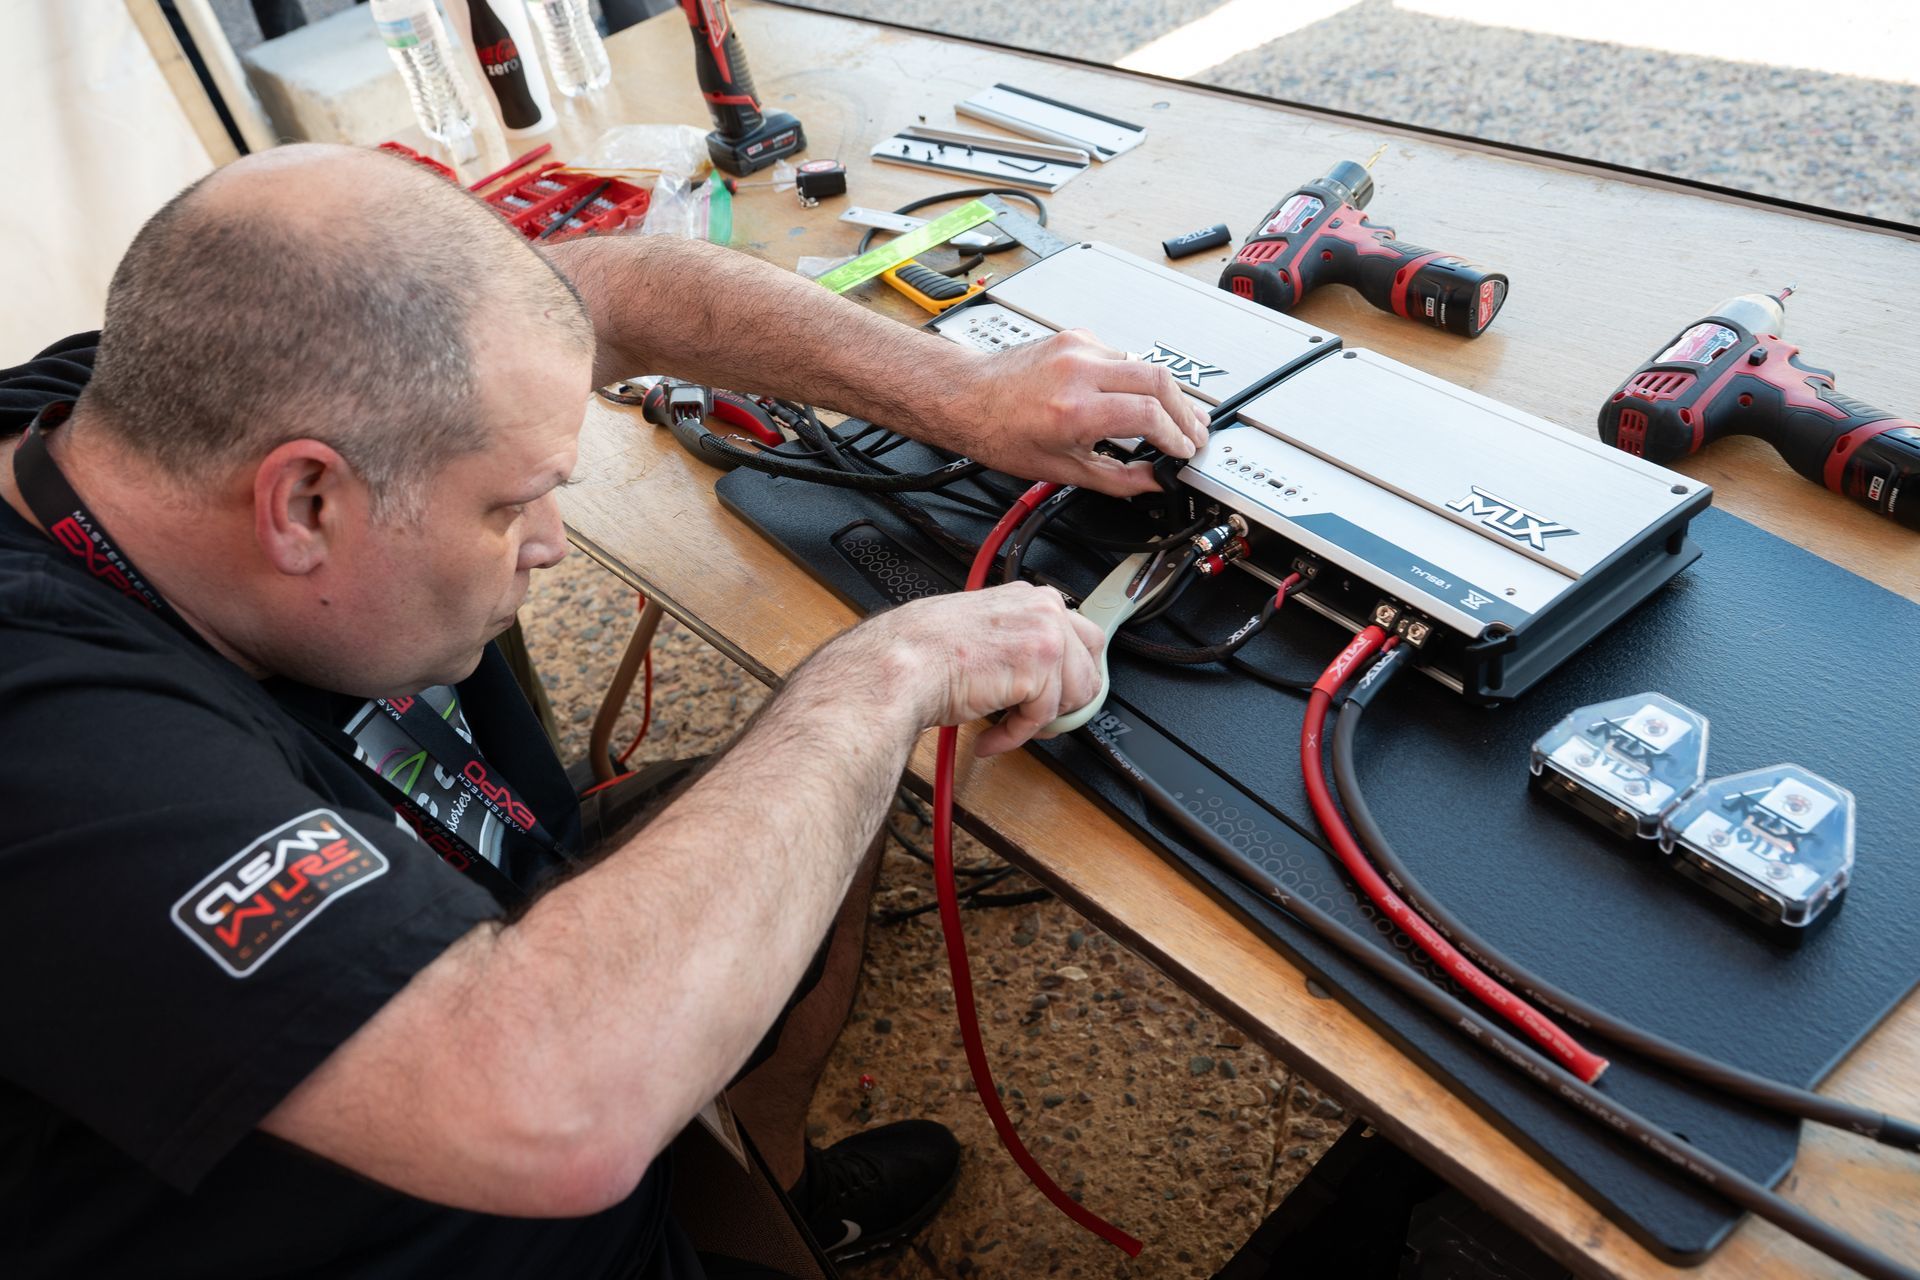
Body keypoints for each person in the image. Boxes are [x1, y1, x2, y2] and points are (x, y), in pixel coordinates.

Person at [0, 143, 1209, 1278]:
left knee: (804, 810)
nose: (551, 545)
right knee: (823, 740)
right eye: (511, 503)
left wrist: (965, 395)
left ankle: (783, 1187)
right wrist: (878, 676)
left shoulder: (147, 408)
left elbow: (611, 288)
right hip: (440, 1174)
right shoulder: (54, 733)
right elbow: (543, 1106)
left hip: (504, 946)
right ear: (304, 503)